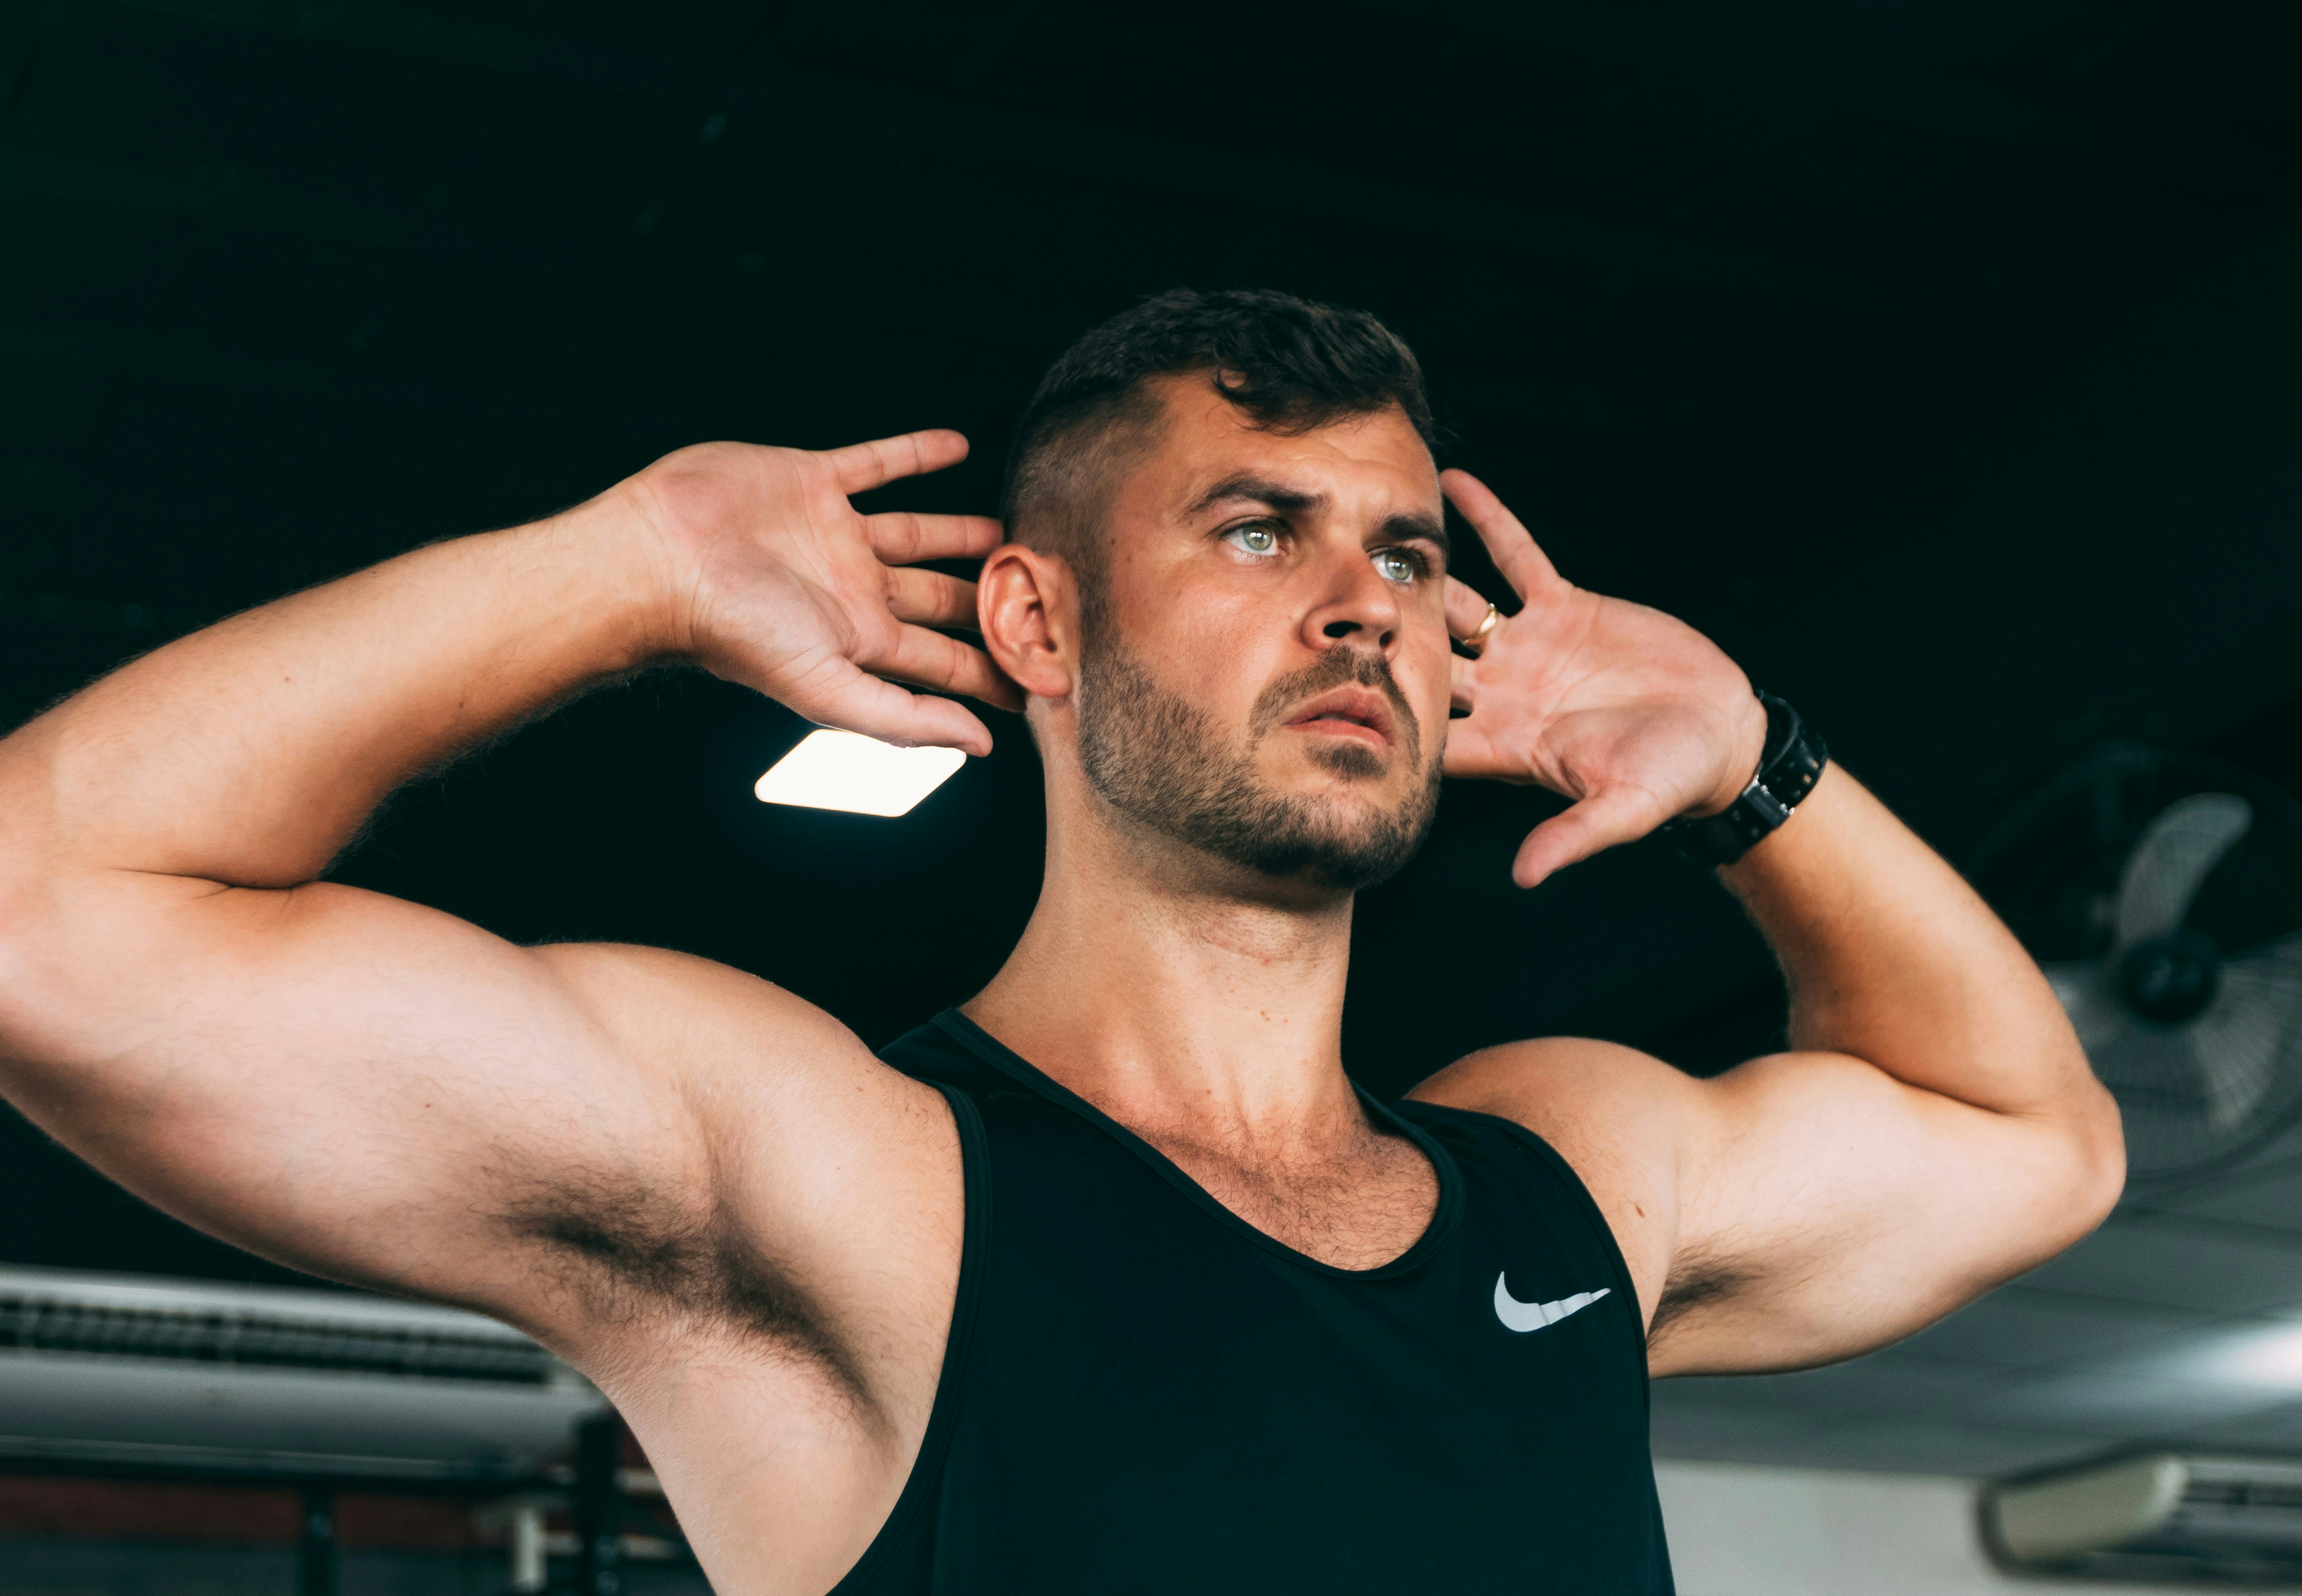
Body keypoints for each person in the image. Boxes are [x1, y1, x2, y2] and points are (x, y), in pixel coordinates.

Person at [0, 289, 2120, 1594]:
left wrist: (1754, 766)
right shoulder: (854, 1184)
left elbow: (2032, 1141)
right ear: (1033, 619)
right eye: (1255, 529)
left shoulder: (1566, 1184)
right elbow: (42, 919)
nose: (1362, 603)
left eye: (1402, 551)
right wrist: (618, 571)